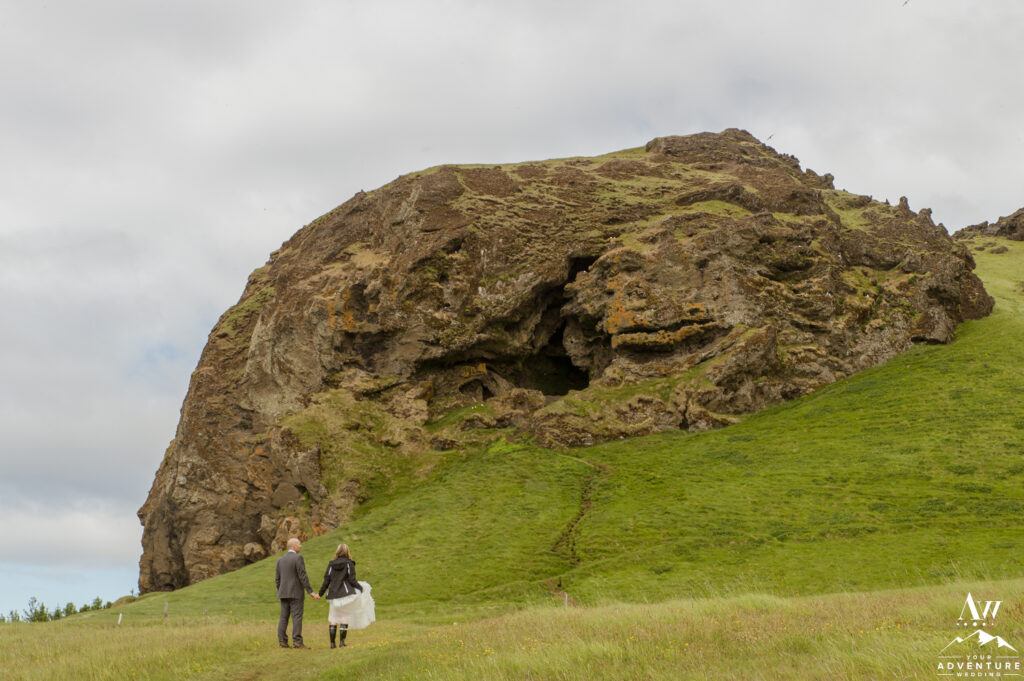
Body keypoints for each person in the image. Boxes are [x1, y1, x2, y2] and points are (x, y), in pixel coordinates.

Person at [318, 543, 375, 648]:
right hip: (345, 594)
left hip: (333, 594)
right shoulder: (349, 564)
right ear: (347, 552)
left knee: (334, 617)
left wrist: (320, 594)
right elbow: (352, 580)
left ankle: (332, 644)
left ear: (337, 552)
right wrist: (360, 588)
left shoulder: (331, 564)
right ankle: (341, 642)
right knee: (344, 616)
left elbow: (326, 580)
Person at [275, 537, 320, 649]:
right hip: (295, 593)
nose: (301, 546)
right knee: (297, 617)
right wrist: (310, 592)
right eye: (299, 544)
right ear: (294, 546)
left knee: (283, 617)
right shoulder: (298, 558)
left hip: (283, 592)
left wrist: (281, 589)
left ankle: (282, 641)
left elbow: (277, 579)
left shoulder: (280, 560)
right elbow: (302, 576)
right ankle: (297, 641)